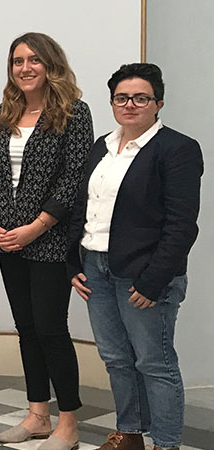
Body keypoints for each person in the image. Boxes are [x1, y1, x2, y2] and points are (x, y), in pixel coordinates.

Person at [69, 63, 202, 450]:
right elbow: (83, 207)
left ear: (158, 103)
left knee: (154, 362)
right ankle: (129, 434)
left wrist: (154, 281)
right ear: (112, 102)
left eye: (141, 98)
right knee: (115, 358)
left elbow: (181, 225)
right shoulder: (102, 146)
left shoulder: (177, 148)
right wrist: (73, 263)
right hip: (96, 268)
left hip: (144, 275)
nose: (130, 104)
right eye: (122, 97)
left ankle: (165, 442)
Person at [0, 33, 92, 450]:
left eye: (33, 60)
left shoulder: (74, 113)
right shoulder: (4, 112)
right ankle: (38, 415)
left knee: (50, 329)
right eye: (17, 61)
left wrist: (37, 227)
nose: (24, 68)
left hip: (49, 239)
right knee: (26, 328)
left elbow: (74, 178)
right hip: (6, 238)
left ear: (50, 64)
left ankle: (68, 423)